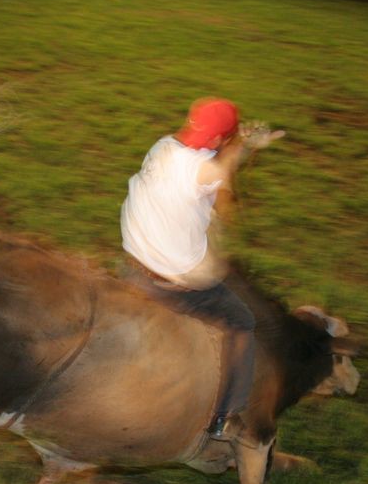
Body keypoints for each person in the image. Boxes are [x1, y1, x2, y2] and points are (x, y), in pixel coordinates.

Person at [121, 98, 283, 439]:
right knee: (241, 323)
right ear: (220, 141)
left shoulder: (163, 145)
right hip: (172, 278)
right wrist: (242, 147)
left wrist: (232, 143)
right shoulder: (208, 170)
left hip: (133, 260)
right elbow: (224, 193)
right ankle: (224, 418)